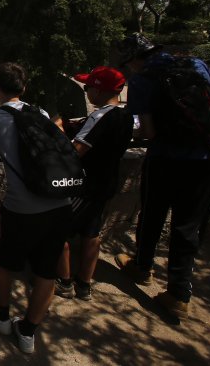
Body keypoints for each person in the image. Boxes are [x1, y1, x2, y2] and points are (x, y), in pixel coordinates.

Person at [114, 33, 210, 319]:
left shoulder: (142, 80)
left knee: (153, 210)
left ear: (134, 60)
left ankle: (142, 266)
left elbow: (148, 132)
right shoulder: (197, 65)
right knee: (189, 224)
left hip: (168, 157)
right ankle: (179, 291)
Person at [0, 62, 71, 354]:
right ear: (24, 88)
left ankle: (1, 315)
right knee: (45, 270)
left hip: (22, 208)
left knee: (1, 261)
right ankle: (28, 332)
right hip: (60, 202)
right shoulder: (38, 113)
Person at [55, 67, 134, 301]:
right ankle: (84, 284)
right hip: (106, 182)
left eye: (88, 87)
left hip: (84, 185)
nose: (87, 91)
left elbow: (76, 151)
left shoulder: (100, 117)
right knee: (91, 233)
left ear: (99, 91)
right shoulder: (126, 116)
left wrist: (58, 135)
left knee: (58, 229)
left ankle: (64, 281)